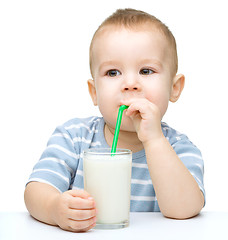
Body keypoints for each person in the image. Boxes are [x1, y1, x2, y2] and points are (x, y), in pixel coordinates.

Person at [24, 8, 205, 232]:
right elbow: (36, 190)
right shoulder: (74, 137)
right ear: (94, 92)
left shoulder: (179, 148)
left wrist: (154, 140)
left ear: (174, 88)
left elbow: (185, 209)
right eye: (112, 72)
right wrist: (54, 208)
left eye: (146, 71)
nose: (130, 83)